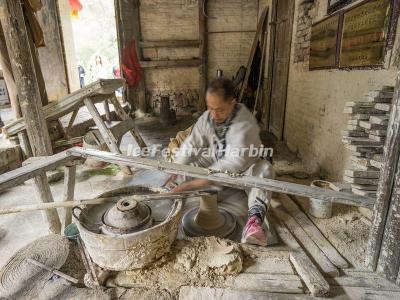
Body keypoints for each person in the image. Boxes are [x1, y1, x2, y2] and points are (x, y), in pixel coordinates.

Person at [166, 77, 275, 246]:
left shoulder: (245, 124)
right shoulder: (208, 117)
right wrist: (175, 169)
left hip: (244, 167)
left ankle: (253, 223)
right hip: (217, 158)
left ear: (233, 103)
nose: (214, 114)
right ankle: (170, 206)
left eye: (220, 110)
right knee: (186, 167)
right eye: (210, 108)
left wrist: (193, 184)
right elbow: (192, 144)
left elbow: (232, 164)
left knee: (265, 171)